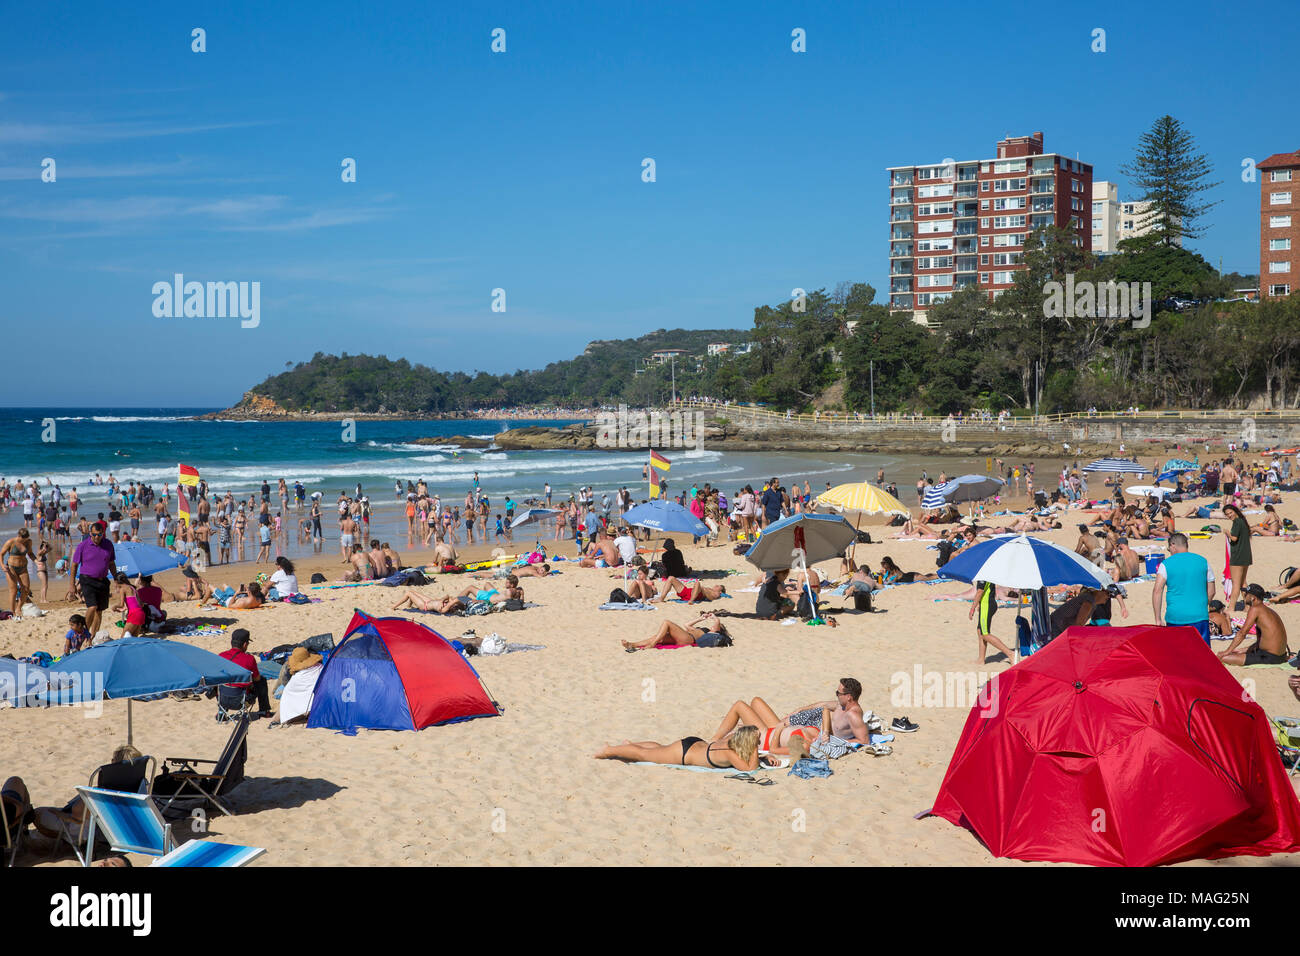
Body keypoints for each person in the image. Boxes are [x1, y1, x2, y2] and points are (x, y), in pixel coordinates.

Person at [594, 725, 762, 771]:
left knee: (658, 749)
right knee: (644, 755)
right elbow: (750, 769)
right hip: (683, 753)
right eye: (757, 742)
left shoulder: (733, 740)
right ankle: (609, 750)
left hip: (693, 744)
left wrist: (762, 755)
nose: (759, 744)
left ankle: (629, 746)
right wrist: (755, 748)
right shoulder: (731, 754)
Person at [1151, 532, 1214, 644]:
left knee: (1177, 655)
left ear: (1173, 545)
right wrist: (1202, 606)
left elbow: (1157, 590)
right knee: (1201, 655)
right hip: (1199, 615)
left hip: (1175, 616)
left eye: (1169, 548)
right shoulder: (1203, 561)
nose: (1169, 551)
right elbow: (1212, 591)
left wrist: (1157, 618)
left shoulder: (1166, 564)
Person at [66, 522, 117, 635]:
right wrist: (72, 585)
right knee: (92, 607)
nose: (96, 537)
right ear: (90, 533)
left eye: (99, 535)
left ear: (103, 534)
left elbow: (111, 563)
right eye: (94, 534)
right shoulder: (83, 546)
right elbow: (74, 565)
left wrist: (116, 579)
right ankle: (84, 633)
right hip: (87, 580)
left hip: (103, 581)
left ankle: (93, 637)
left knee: (99, 611)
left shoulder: (108, 544)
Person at [1219, 584, 1290, 666]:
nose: (1244, 596)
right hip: (1280, 655)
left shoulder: (1255, 609)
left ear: (1253, 598)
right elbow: (1266, 638)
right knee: (1237, 653)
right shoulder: (1268, 610)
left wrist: (1227, 651)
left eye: (1246, 594)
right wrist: (1246, 649)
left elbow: (1242, 633)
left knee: (1223, 658)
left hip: (1269, 657)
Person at [219, 629, 273, 717]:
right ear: (244, 644)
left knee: (222, 682)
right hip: (240, 702)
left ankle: (221, 712)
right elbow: (257, 679)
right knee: (261, 680)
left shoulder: (221, 656)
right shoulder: (249, 659)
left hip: (223, 699)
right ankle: (264, 711)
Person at [621, 611, 730, 651]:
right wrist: (700, 618)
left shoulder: (712, 633)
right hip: (684, 636)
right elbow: (686, 625)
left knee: (667, 622)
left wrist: (714, 617)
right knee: (659, 636)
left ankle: (652, 645)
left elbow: (717, 622)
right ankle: (632, 644)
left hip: (688, 639)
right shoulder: (702, 630)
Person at [970, 579, 1016, 664]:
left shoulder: (983, 575)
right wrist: (980, 604)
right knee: (980, 631)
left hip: (987, 606)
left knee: (985, 634)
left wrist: (972, 608)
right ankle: (981, 659)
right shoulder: (987, 573)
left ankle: (1010, 654)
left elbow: (980, 592)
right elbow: (988, 590)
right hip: (988, 604)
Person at [1223, 502, 1252, 610]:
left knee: (1236, 583)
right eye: (1227, 514)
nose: (1229, 515)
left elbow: (1234, 538)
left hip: (1238, 556)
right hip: (1246, 556)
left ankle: (1231, 607)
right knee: (1243, 582)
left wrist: (1227, 533)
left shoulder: (1237, 522)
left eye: (1230, 513)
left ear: (1235, 511)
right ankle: (1247, 605)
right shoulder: (1243, 521)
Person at [2, 528, 37, 616]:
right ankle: (13, 611)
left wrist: (36, 561)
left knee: (26, 589)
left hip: (23, 567)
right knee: (13, 590)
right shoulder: (11, 542)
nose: (24, 541)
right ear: (19, 536)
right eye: (22, 539)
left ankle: (18, 608)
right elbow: (1, 554)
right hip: (11, 568)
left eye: (25, 539)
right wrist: (2, 566)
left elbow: (30, 553)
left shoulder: (28, 542)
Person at [648, 576, 728, 604]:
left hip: (695, 596)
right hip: (687, 591)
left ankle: (691, 600)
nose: (715, 586)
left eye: (718, 586)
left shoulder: (717, 593)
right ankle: (661, 598)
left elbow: (712, 597)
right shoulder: (710, 589)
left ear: (720, 591)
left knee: (697, 583)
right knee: (671, 578)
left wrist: (704, 590)